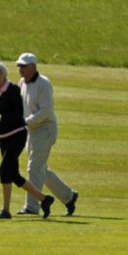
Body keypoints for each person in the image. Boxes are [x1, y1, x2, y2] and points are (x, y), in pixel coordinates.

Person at [0, 59, 48, 219]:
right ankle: (44, 199)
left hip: (17, 134)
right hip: (3, 137)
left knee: (4, 169)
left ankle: (5, 210)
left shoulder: (12, 89)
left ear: (3, 74)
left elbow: (17, 115)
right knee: (13, 174)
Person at [17, 53, 78, 216]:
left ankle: (32, 206)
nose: (20, 69)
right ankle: (69, 197)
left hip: (45, 128)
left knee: (34, 167)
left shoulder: (43, 83)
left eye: (24, 66)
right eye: (19, 66)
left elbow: (46, 111)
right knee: (40, 168)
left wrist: (26, 121)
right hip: (31, 130)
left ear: (33, 67)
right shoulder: (22, 83)